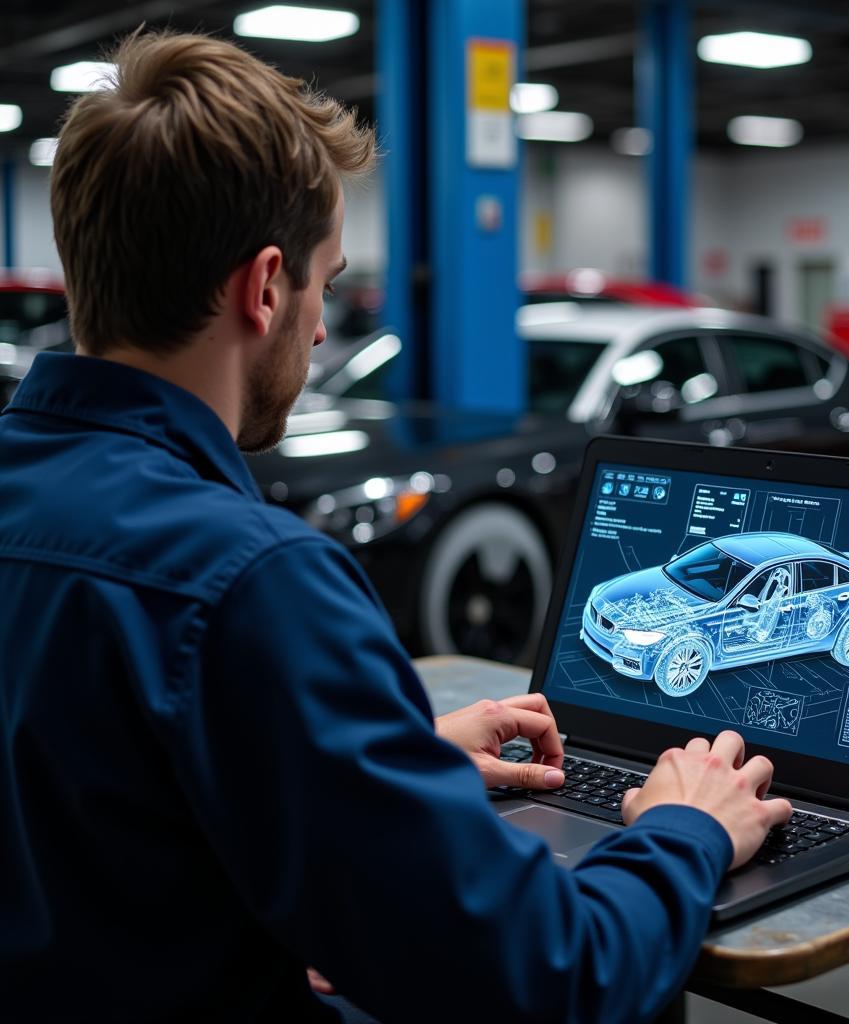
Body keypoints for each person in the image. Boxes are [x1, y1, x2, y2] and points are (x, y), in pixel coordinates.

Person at [0, 28, 791, 1023]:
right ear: (263, 286)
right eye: (324, 286)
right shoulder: (250, 582)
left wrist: (385, 754)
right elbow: (546, 976)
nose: (323, 326)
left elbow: (102, 783)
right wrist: (685, 828)